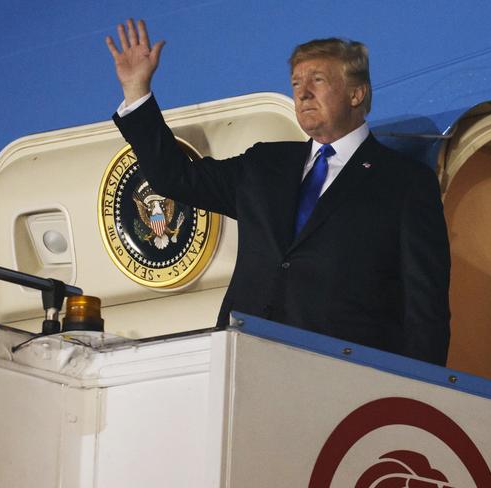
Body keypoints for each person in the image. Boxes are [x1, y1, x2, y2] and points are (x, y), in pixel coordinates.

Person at [106, 19, 451, 365]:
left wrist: (416, 396)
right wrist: (137, 92)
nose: (302, 93)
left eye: (317, 80)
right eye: (296, 83)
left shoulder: (404, 182)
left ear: (356, 93)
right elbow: (175, 178)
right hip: (244, 363)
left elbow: (426, 312)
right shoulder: (264, 164)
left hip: (343, 378)